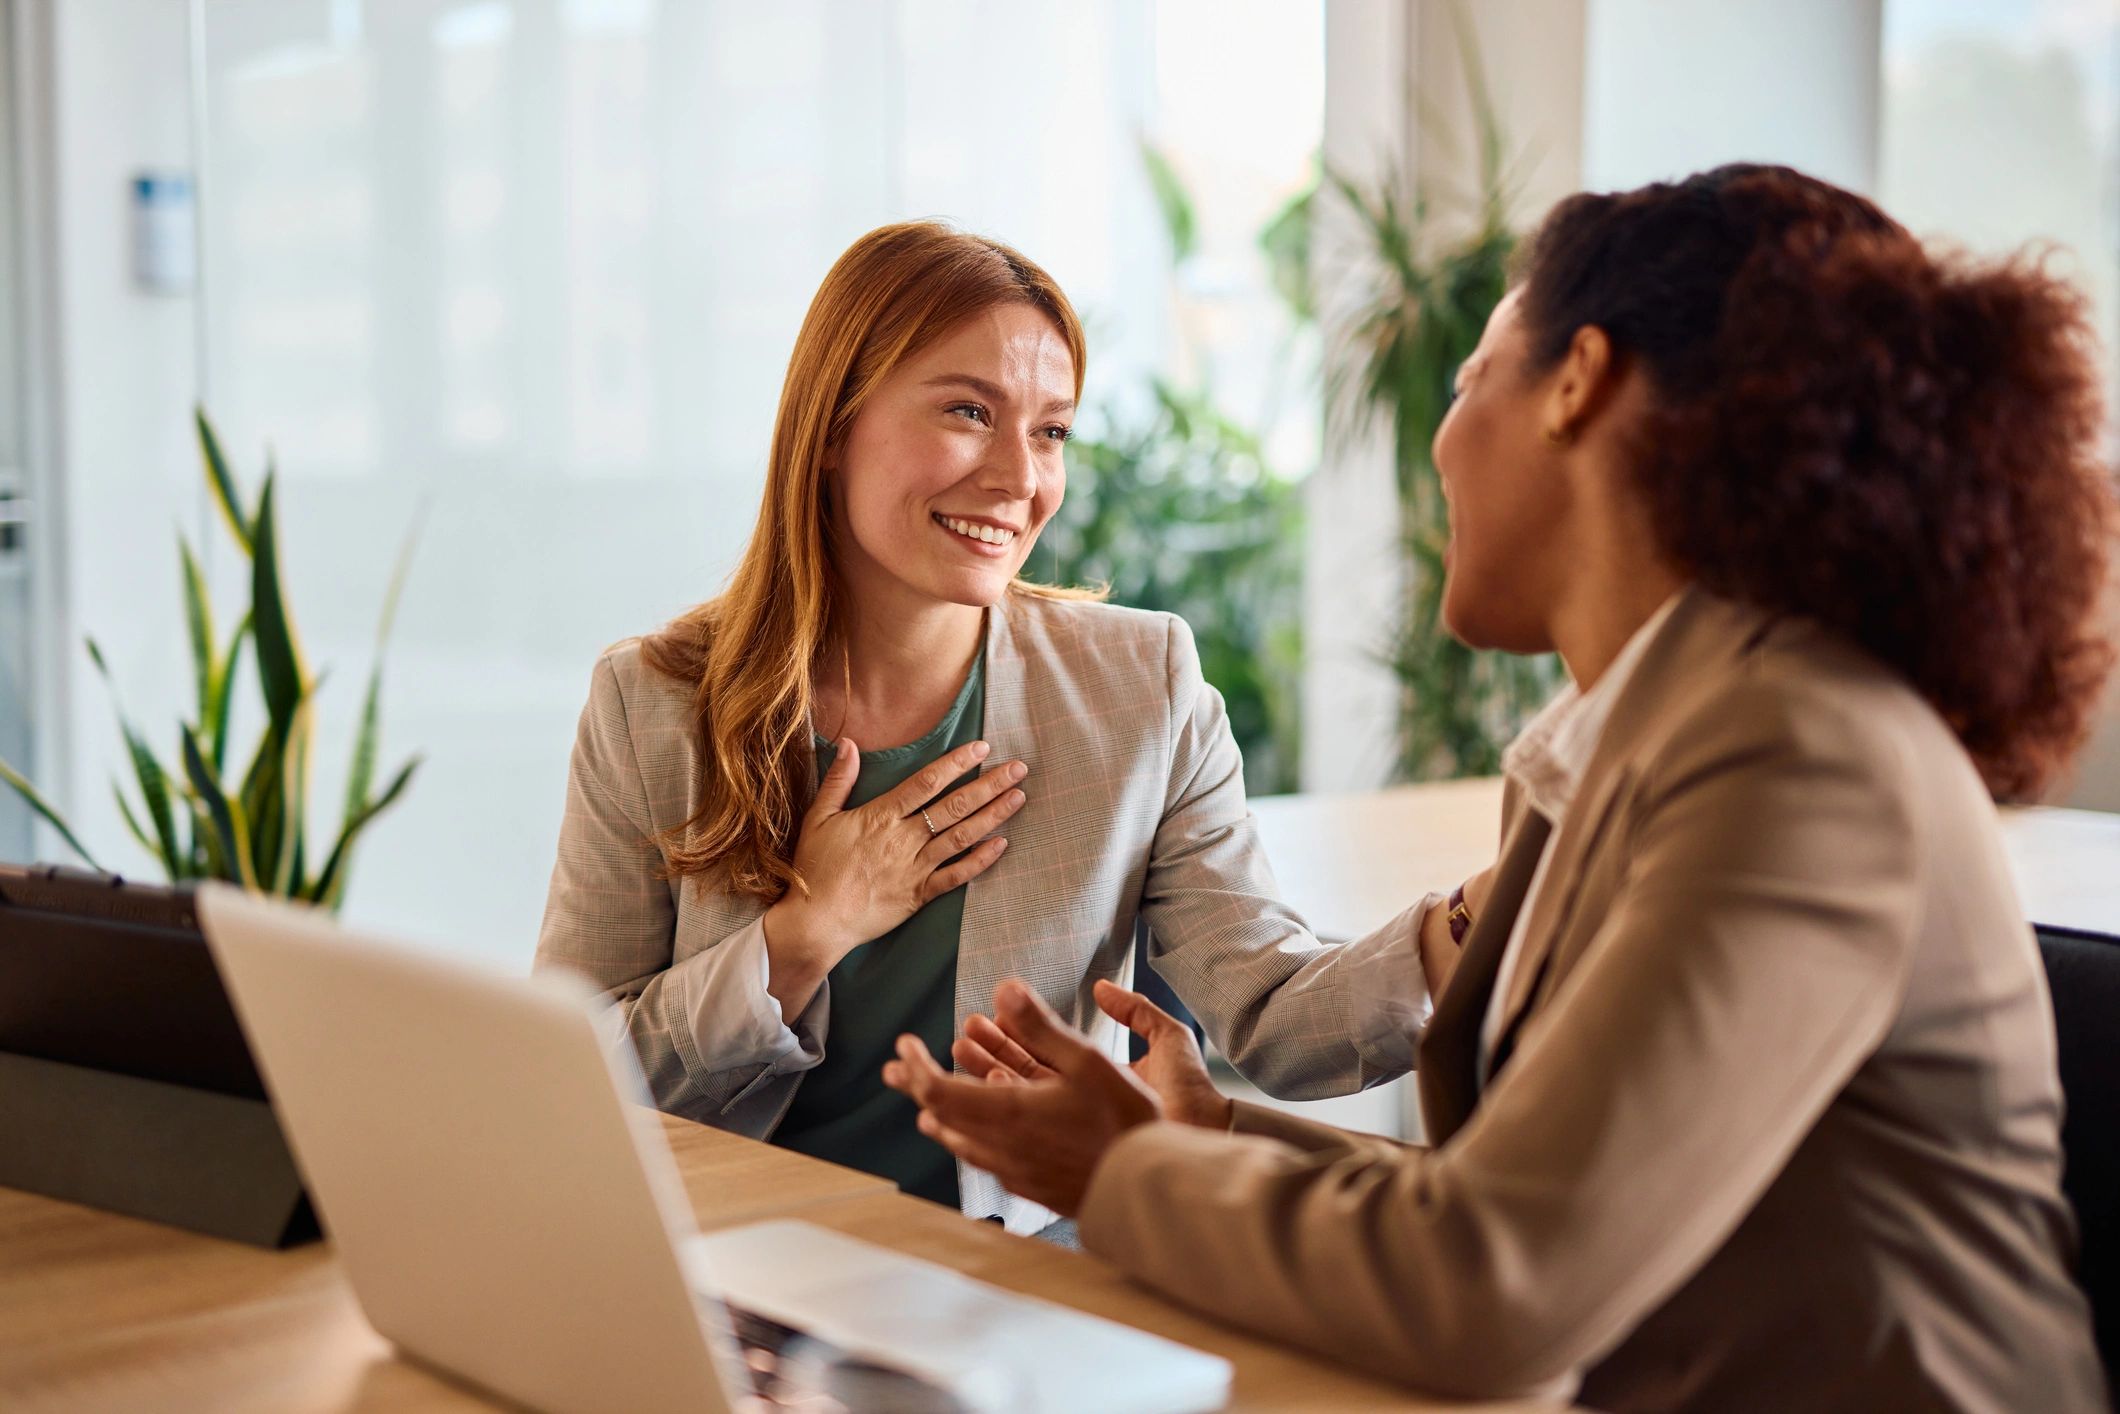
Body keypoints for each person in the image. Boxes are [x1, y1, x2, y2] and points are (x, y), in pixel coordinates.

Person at [886, 165, 2114, 1408]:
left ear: (1577, 381)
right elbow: (1493, 1206)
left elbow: (1488, 1288)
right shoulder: (1637, 737)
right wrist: (1182, 1143)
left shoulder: (1797, 757)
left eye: (1473, 379)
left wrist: (1118, 1173)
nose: (1439, 437)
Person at [534, 221, 1480, 1235]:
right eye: (967, 411)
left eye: (1050, 431)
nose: (1017, 478)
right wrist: (800, 936)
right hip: (737, 1271)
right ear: (832, 427)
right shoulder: (652, 702)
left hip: (1020, 1286)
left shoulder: (1139, 686)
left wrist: (1460, 925)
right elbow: (571, 1080)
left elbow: (1274, 1015)